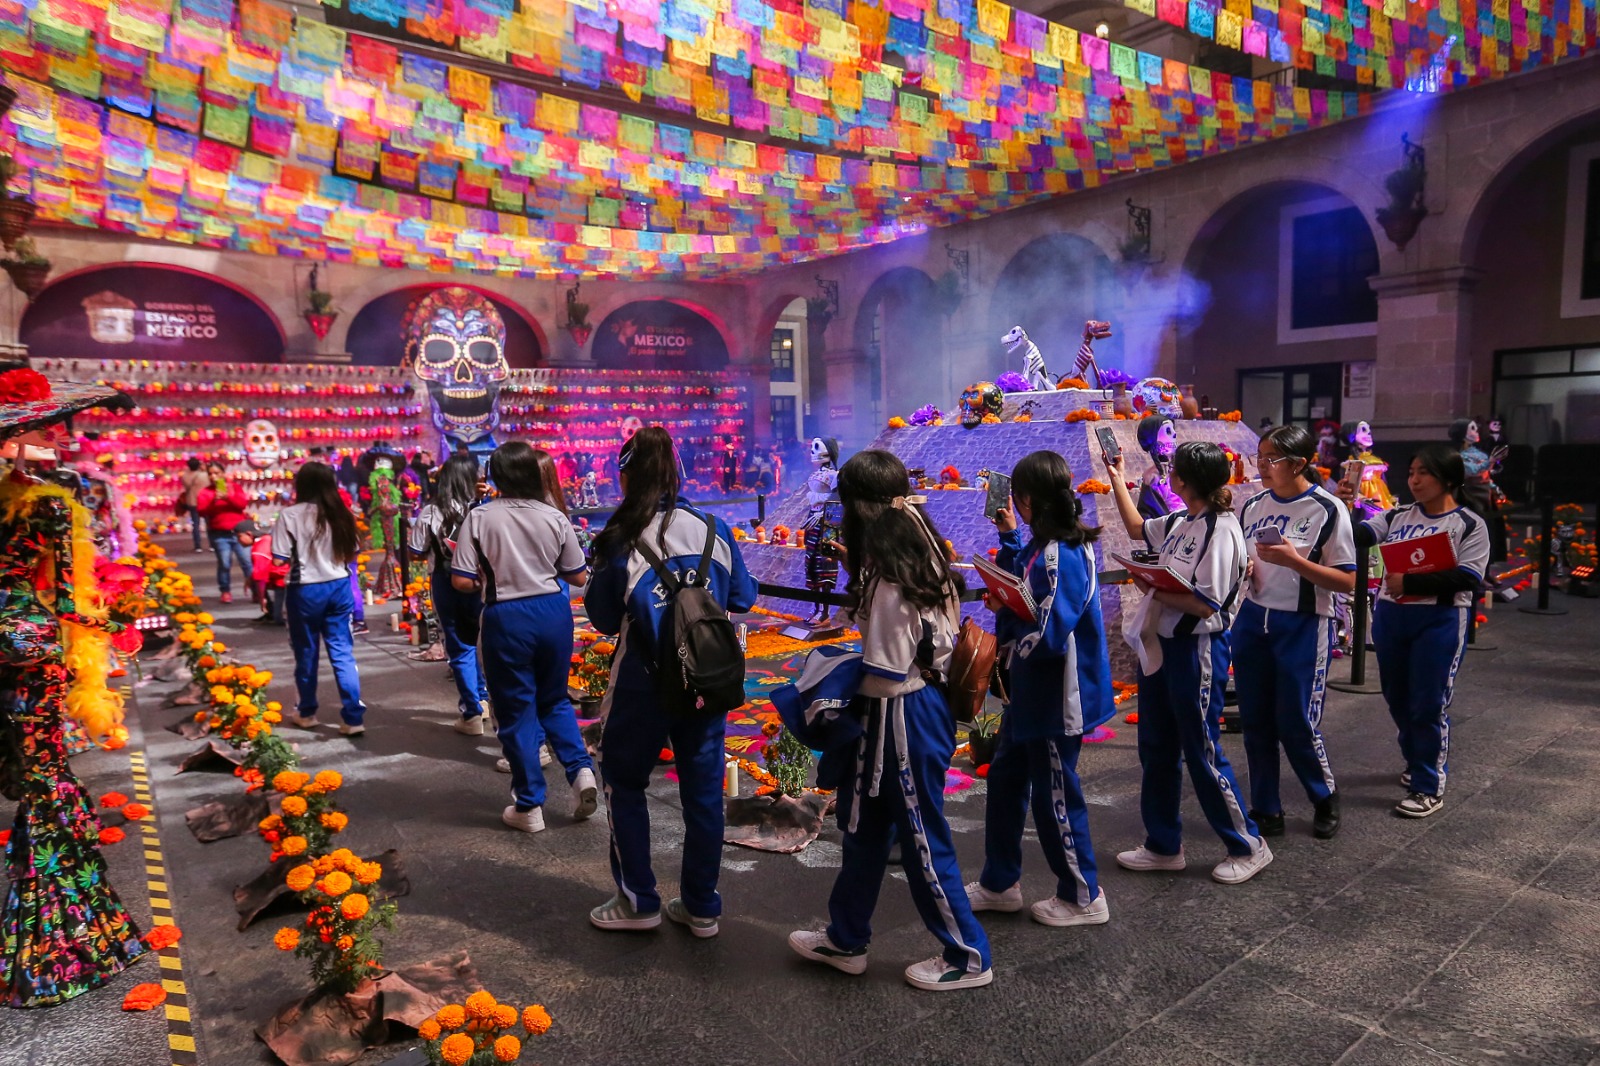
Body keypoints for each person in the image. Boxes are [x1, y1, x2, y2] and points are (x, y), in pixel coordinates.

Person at [787, 449, 993, 991]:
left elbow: (882, 668)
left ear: (858, 505)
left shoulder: (889, 578)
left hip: (900, 713)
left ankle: (968, 955)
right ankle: (846, 937)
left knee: (922, 839)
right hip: (906, 709)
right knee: (864, 830)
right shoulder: (917, 545)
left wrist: (827, 689)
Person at [585, 427, 757, 936]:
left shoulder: (621, 538)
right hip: (707, 679)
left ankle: (638, 900)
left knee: (624, 781)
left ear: (627, 476)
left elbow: (599, 616)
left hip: (642, 682)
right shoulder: (714, 528)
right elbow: (742, 598)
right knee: (704, 795)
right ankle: (702, 905)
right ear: (676, 473)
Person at [1102, 441, 1270, 884]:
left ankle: (1248, 844)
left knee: (1202, 750)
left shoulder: (1222, 530)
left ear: (1182, 480)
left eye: (1173, 470)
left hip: (1197, 650)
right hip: (1162, 648)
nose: (1168, 474)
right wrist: (1117, 478)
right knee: (1156, 747)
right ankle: (1162, 844)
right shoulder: (1182, 520)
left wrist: (1148, 584)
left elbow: (1204, 605)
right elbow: (1138, 529)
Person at [967, 450, 1116, 929]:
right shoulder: (1043, 544)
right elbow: (1027, 589)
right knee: (1008, 780)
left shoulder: (1062, 553)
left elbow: (1051, 630)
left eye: (1017, 498)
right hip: (1029, 693)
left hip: (1055, 695)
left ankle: (1083, 894)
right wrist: (1008, 540)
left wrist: (1006, 652)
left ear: (1029, 499)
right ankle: (999, 883)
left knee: (1054, 795)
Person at [451, 442, 597, 833]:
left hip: (506, 616)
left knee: (516, 711)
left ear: (495, 476)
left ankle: (529, 805)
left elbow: (461, 580)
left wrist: (484, 577)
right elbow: (578, 576)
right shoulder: (553, 516)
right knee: (554, 700)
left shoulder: (479, 518)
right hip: (553, 613)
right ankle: (581, 771)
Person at [1339, 444, 1489, 819]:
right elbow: (1361, 536)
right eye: (1412, 472)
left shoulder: (1469, 523)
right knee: (1398, 697)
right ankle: (1416, 760)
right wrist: (1341, 506)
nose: (1415, 480)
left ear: (1449, 479)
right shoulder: (1398, 515)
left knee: (1428, 703)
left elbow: (1469, 577)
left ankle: (1428, 785)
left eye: (1424, 473)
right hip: (1392, 617)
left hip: (1438, 621)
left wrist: (1412, 581)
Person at [1234, 426, 1357, 841]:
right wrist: (1246, 569)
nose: (1262, 466)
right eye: (1260, 457)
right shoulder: (1251, 506)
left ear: (1300, 463)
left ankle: (1324, 796)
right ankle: (1266, 807)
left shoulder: (1327, 509)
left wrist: (1293, 561)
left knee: (1296, 721)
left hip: (1303, 624)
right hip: (1253, 620)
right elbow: (1245, 560)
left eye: (1272, 459)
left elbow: (1346, 581)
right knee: (1255, 721)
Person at [271, 462, 367, 735]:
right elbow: (352, 554)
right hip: (339, 586)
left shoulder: (289, 515)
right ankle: (353, 718)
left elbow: (279, 558)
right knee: (342, 652)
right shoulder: (342, 513)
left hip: (305, 590)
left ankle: (307, 712)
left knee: (306, 652)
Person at [409, 455, 491, 733]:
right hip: (482, 582)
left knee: (458, 646)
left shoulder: (430, 513)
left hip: (446, 583)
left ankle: (472, 712)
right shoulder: (483, 509)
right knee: (484, 640)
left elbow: (416, 551)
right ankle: (484, 698)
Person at [196, 461, 251, 604]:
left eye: (217, 473)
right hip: (220, 533)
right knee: (224, 563)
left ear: (223, 473)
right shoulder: (206, 492)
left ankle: (256, 591)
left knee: (247, 562)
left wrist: (228, 497)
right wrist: (214, 501)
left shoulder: (234, 487)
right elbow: (201, 511)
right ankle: (225, 591)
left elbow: (242, 504)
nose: (214, 476)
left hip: (240, 532)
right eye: (210, 474)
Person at [235, 518, 288, 626]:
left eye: (239, 536)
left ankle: (272, 613)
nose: (238, 540)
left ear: (249, 534)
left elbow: (260, 579)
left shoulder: (259, 550)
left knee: (277, 620)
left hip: (283, 579)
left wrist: (262, 599)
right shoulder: (266, 538)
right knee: (253, 579)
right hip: (282, 575)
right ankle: (274, 613)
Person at [179, 457, 210, 553]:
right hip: (205, 502)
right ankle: (212, 544)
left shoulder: (185, 476)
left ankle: (198, 546)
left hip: (192, 501)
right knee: (209, 524)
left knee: (195, 524)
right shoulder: (204, 475)